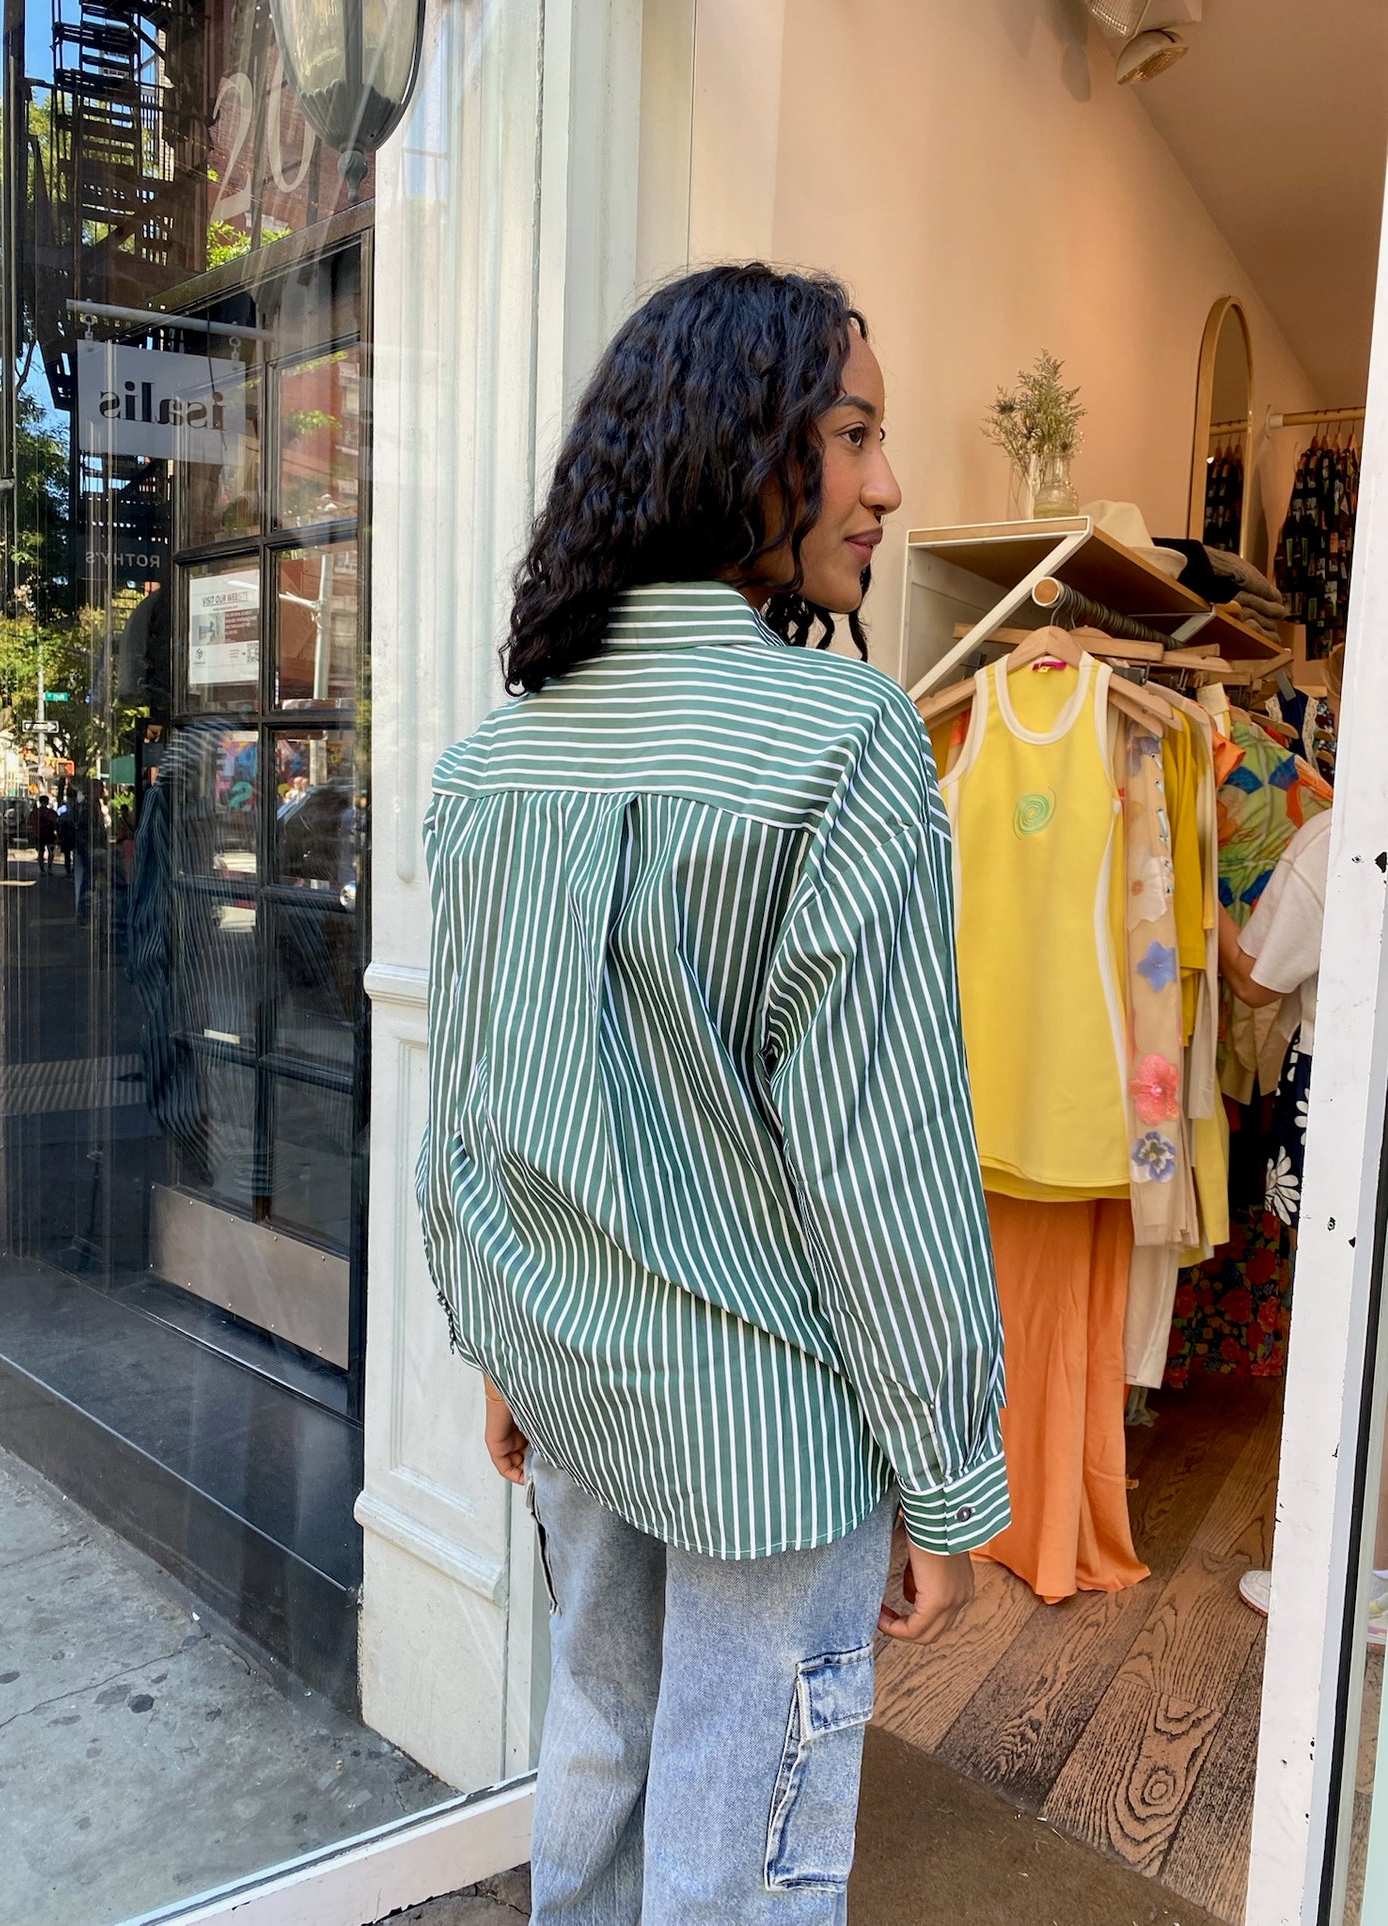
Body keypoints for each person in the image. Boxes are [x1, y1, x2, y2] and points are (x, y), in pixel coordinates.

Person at [417, 264, 1007, 1922]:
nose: (889, 483)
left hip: (580, 1383)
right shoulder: (842, 739)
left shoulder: (503, 752)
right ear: (746, 448)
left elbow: (471, 1110)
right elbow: (881, 1168)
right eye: (856, 434)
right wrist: (945, 1477)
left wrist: (502, 1345)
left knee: (599, 1756)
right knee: (741, 1862)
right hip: (772, 1429)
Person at [1217, 648, 1386, 1640]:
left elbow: (1253, 980)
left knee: (1335, 1326)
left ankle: (1336, 1573)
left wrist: (1200, 893)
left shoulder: (1338, 836)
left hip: (1345, 1096)